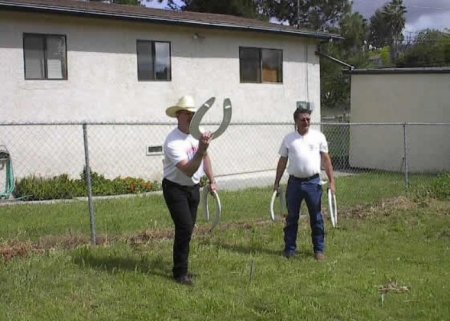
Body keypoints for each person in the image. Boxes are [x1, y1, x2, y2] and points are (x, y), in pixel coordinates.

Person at [162, 95, 217, 285]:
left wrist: (212, 180)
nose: (191, 117)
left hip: (193, 188)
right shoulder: (172, 142)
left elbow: (206, 158)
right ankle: (180, 273)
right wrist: (201, 150)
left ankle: (182, 268)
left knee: (188, 229)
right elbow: (188, 170)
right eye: (187, 113)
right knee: (184, 227)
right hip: (175, 189)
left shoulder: (197, 133)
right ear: (178, 115)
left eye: (193, 113)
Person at [273, 104, 335, 261]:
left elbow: (326, 160)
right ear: (296, 121)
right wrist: (276, 182)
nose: (306, 122)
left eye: (308, 119)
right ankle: (290, 249)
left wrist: (332, 182)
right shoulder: (289, 139)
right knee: (292, 217)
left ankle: (319, 250)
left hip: (313, 183)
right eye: (303, 119)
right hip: (294, 184)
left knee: (316, 217)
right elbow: (282, 161)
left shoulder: (318, 137)